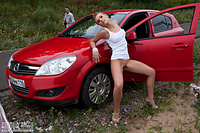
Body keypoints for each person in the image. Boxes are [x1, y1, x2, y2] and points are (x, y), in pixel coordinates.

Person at [90, 12, 158, 124]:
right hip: (116, 60)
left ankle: (150, 99)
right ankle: (116, 112)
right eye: (98, 21)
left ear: (106, 16)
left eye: (101, 17)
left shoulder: (116, 23)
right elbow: (92, 41)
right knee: (119, 85)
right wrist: (95, 50)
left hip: (127, 60)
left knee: (151, 72)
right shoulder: (104, 32)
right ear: (100, 25)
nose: (101, 20)